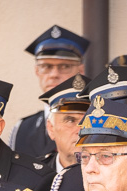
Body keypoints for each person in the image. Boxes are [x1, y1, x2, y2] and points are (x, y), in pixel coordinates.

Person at [10, 25, 89, 158]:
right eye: (46, 66)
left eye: (65, 66)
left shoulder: (98, 119)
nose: (54, 74)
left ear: (80, 70)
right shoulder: (23, 128)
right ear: (37, 71)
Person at [40, 74, 90, 171]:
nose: (80, 130)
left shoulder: (117, 175)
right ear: (51, 128)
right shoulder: (34, 176)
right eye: (70, 121)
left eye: (89, 121)